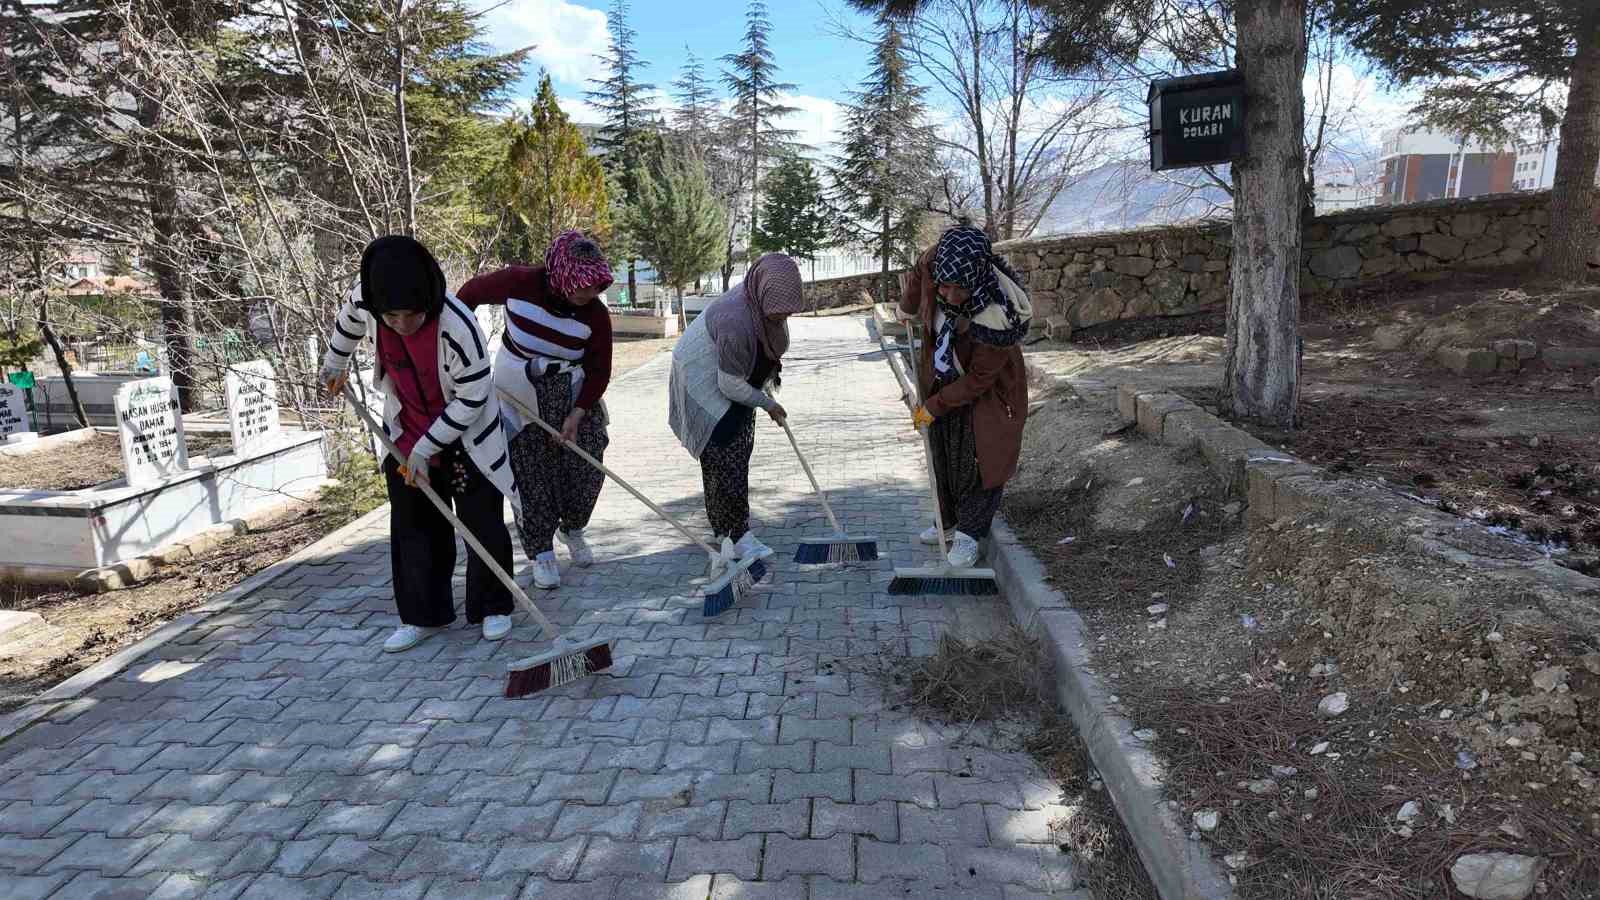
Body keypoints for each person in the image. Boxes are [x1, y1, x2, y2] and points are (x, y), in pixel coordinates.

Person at [319, 235, 519, 652]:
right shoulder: (369, 300)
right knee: (413, 523)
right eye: (392, 317)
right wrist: (333, 366)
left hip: (467, 436)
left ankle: (492, 606)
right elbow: (347, 323)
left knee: (480, 520)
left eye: (412, 315)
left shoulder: (460, 327)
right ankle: (423, 614)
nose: (402, 325)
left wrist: (427, 450)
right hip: (406, 427)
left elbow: (473, 396)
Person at [456, 231, 614, 590]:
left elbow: (600, 370)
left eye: (595, 287)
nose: (589, 295)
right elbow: (468, 296)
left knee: (588, 465)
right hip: (518, 394)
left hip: (570, 395)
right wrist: (463, 345)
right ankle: (541, 551)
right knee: (530, 473)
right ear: (560, 277)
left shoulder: (595, 316)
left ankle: (572, 528)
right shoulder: (519, 282)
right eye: (582, 287)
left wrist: (577, 414)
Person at [900, 224, 1032, 568]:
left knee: (979, 460)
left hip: (989, 391)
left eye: (960, 289)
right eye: (944, 285)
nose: (950, 294)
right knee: (941, 448)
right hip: (945, 373)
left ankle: (969, 535)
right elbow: (919, 273)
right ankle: (947, 522)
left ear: (975, 279)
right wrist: (907, 307)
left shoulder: (997, 316)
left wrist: (933, 405)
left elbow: (979, 379)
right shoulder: (935, 262)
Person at [668, 253, 806, 564]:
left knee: (737, 454)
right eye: (776, 314)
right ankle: (737, 535)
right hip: (702, 382)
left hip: (731, 377)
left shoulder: (757, 302)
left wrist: (762, 395)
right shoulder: (735, 320)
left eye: (787, 314)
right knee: (724, 458)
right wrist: (768, 404)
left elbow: (757, 361)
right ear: (762, 295)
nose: (781, 319)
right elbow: (730, 386)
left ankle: (726, 531)